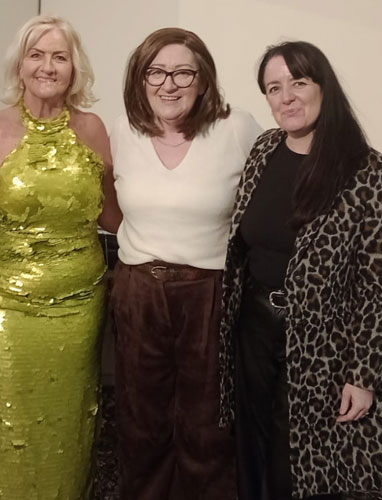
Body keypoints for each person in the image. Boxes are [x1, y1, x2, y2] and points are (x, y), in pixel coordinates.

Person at [216, 40, 382, 500]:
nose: (287, 97)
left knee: (301, 464)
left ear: (324, 88)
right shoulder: (263, 150)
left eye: (298, 82)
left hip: (325, 339)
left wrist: (362, 374)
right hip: (253, 325)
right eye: (273, 88)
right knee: (251, 447)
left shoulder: (371, 171)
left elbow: (379, 286)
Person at [0, 15, 115, 498]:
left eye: (59, 56)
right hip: (6, 303)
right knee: (12, 424)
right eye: (37, 54)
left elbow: (113, 215)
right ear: (20, 64)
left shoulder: (93, 129)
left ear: (74, 68)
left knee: (70, 421)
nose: (47, 66)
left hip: (80, 301)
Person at [109, 27, 261, 499]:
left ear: (203, 80)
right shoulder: (122, 129)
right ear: (140, 79)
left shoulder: (237, 127)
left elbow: (269, 205)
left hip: (207, 292)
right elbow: (110, 207)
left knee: (207, 422)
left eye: (182, 72)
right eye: (156, 72)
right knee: (141, 420)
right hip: (137, 289)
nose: (168, 84)